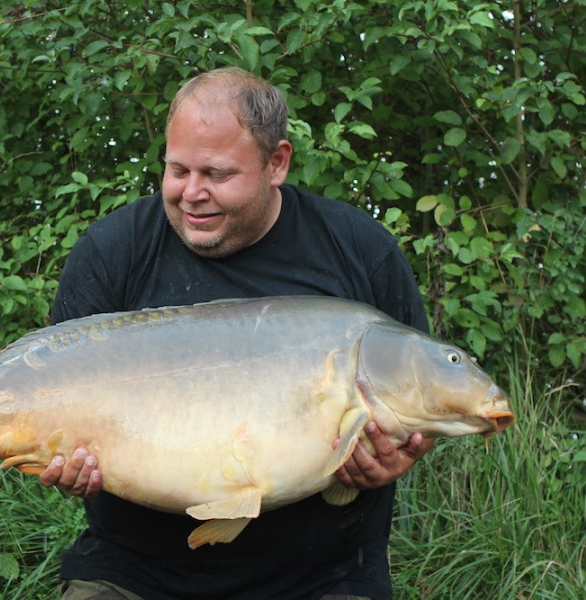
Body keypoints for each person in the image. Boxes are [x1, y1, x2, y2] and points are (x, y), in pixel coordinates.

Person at [39, 67, 432, 600]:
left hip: (323, 575)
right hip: (134, 570)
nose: (191, 193)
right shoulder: (114, 252)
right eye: (177, 170)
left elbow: (419, 397)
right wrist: (65, 466)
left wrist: (405, 450)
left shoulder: (360, 253)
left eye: (217, 175)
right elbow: (53, 396)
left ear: (277, 163)